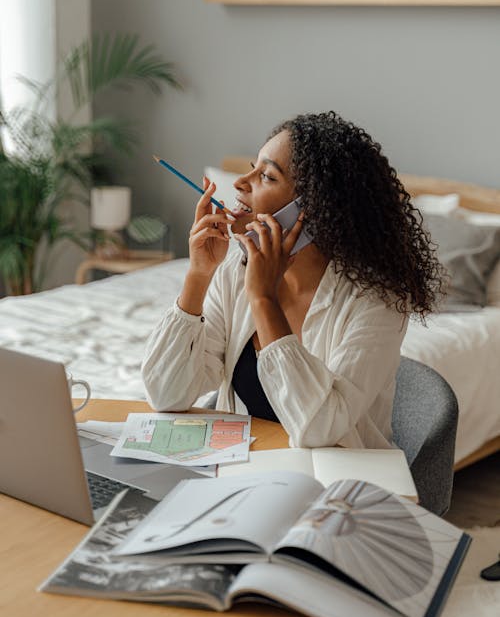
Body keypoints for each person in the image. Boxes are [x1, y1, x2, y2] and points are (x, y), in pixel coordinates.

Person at [142, 111, 444, 449]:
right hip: (240, 474)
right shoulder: (234, 273)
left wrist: (263, 300)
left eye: (267, 177)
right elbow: (165, 393)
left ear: (314, 210)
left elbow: (320, 429)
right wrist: (198, 276)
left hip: (333, 486)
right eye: (252, 167)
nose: (241, 183)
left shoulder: (377, 301)